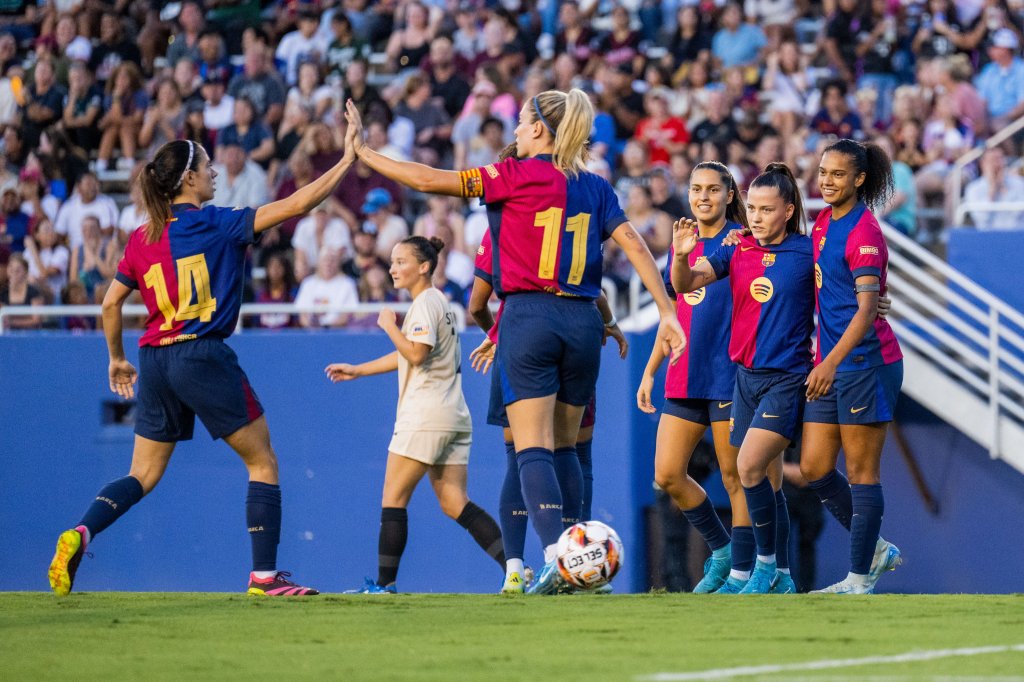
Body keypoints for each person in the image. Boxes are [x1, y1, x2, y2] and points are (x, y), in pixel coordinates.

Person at [343, 90, 685, 595]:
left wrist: (365, 154)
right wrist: (666, 309)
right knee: (567, 449)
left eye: (522, 123)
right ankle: (583, 560)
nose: (516, 130)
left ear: (540, 130)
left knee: (532, 451)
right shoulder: (595, 185)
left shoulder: (511, 176)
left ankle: (556, 559)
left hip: (529, 315)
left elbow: (428, 179)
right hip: (582, 318)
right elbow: (633, 242)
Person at [47, 134, 359, 597]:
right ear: (188, 178)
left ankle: (80, 532)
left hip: (154, 358)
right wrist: (348, 158)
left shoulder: (142, 236)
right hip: (202, 353)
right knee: (262, 461)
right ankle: (265, 580)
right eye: (208, 166)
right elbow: (298, 204)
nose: (214, 172)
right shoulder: (218, 223)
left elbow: (110, 305)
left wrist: (117, 358)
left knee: (143, 475)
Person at [637, 161, 793, 594]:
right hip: (684, 374)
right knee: (668, 474)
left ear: (729, 196)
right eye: (695, 188)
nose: (702, 196)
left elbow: (789, 281)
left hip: (730, 376)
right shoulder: (680, 245)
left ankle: (745, 572)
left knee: (736, 477)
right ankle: (722, 551)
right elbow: (673, 316)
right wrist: (650, 371)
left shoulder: (743, 242)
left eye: (712, 189)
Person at [325, 236, 505, 594]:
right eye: (392, 261)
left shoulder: (423, 304)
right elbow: (412, 354)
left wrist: (389, 326)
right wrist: (359, 369)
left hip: (424, 415)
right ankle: (514, 567)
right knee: (455, 502)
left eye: (401, 261)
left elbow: (417, 354)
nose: (392, 268)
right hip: (452, 415)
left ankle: (384, 585)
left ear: (424, 267)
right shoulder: (440, 303)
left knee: (394, 499)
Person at [671, 163, 814, 594]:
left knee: (748, 468)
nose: (755, 217)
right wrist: (681, 255)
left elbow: (847, 285)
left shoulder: (809, 252)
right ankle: (783, 576)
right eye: (751, 208)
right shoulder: (738, 248)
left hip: (786, 379)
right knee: (766, 481)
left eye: (766, 209)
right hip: (744, 379)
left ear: (788, 211)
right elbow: (687, 284)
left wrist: (877, 300)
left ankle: (761, 567)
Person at [467, 227, 628, 593]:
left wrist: (498, 337)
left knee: (520, 454)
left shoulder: (504, 220)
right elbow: (594, 290)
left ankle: (515, 569)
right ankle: (576, 566)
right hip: (578, 334)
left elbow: (477, 304)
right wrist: (611, 323)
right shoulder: (578, 214)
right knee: (573, 451)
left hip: (522, 337)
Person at [802, 139, 904, 594]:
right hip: (833, 363)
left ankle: (859, 578)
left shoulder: (864, 231)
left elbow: (865, 312)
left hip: (865, 364)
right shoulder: (823, 221)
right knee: (814, 467)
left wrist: (828, 363)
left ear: (859, 179)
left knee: (863, 472)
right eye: (823, 172)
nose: (826, 181)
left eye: (837, 174)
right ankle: (878, 548)